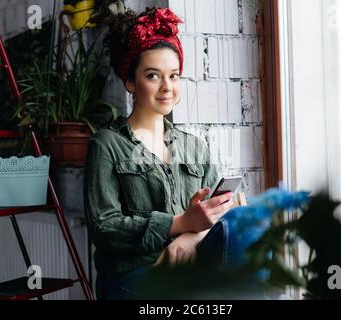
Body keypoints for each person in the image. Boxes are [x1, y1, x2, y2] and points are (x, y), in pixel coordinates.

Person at [84, 7, 234, 300]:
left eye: (174, 76)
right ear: (130, 82)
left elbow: (225, 207)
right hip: (135, 273)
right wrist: (179, 224)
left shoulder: (194, 146)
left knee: (249, 236)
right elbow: (105, 227)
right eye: (153, 75)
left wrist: (191, 237)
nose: (167, 87)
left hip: (192, 262)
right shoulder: (106, 144)